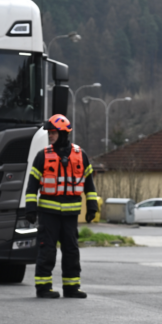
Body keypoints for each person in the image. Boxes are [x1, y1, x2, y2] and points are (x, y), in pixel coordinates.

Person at [25, 114, 98, 299]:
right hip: (48, 214)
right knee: (47, 250)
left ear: (64, 133)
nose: (50, 135)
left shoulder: (80, 155)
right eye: (49, 132)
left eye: (53, 132)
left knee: (71, 251)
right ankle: (43, 287)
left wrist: (92, 207)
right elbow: (32, 185)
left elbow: (89, 184)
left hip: (71, 215)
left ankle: (72, 287)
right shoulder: (42, 156)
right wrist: (31, 209)